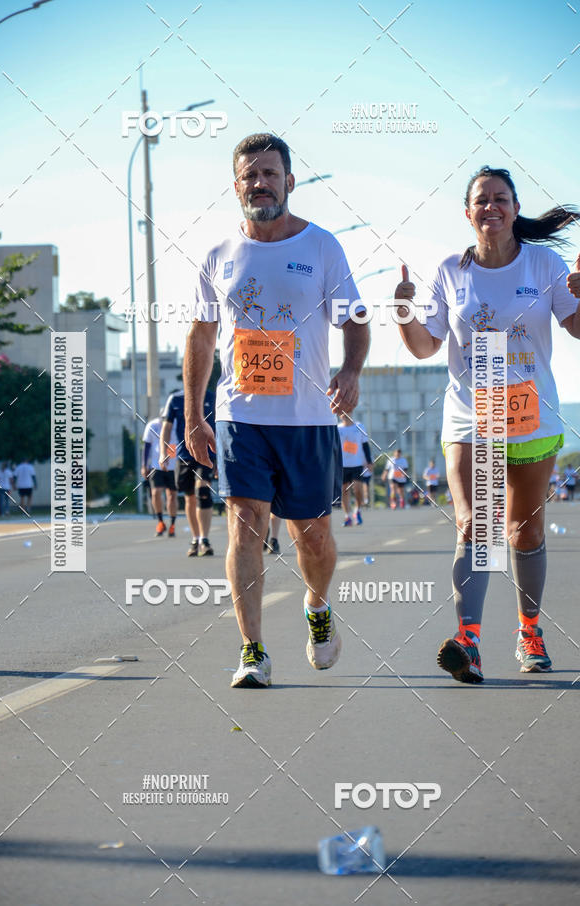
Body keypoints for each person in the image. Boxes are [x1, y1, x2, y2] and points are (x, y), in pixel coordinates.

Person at [183, 132, 369, 688]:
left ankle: (317, 605)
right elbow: (200, 337)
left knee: (312, 537)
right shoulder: (218, 255)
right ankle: (253, 652)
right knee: (245, 527)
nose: (260, 183)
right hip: (241, 417)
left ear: (290, 181)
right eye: (250, 176)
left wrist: (352, 370)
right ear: (236, 185)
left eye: (270, 174)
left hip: (308, 416)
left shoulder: (321, 246)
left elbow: (356, 318)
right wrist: (195, 415)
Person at [395, 165, 580, 683]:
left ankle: (529, 631)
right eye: (481, 200)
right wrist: (404, 313)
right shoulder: (450, 270)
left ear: (516, 209)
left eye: (501, 198)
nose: (491, 207)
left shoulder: (543, 263)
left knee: (524, 531)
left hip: (531, 417)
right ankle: (469, 641)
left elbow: (577, 327)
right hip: (472, 417)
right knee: (477, 527)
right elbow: (426, 346)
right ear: (468, 213)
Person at [160, 386, 217, 557]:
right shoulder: (175, 399)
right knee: (190, 498)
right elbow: (167, 428)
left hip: (206, 454)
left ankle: (205, 539)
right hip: (184, 456)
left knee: (203, 491)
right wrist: (164, 453)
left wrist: (220, 457)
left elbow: (219, 425)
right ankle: (196, 537)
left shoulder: (211, 397)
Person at [142, 413, 178, 537]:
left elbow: (178, 443)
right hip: (155, 466)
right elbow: (147, 446)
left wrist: (169, 457)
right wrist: (144, 465)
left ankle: (172, 523)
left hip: (173, 466)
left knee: (172, 496)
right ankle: (160, 521)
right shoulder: (152, 425)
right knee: (156, 492)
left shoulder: (177, 424)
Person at [337, 412, 373, 526]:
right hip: (343, 465)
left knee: (358, 489)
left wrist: (369, 461)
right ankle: (347, 515)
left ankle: (358, 510)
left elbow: (365, 445)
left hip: (357, 464)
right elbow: (334, 447)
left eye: (346, 412)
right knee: (344, 491)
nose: (343, 414)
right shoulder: (337, 429)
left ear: (351, 412)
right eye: (341, 412)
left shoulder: (359, 426)